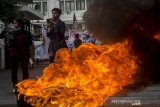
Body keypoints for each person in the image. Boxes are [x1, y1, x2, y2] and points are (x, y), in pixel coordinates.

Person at [6, 18, 32, 92]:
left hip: (23, 54)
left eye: (16, 23)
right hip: (14, 54)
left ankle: (25, 85)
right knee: (14, 71)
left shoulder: (26, 33)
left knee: (25, 70)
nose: (14, 25)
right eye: (14, 23)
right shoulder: (11, 33)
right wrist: (10, 39)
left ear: (20, 24)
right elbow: (9, 45)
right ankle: (15, 86)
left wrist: (30, 56)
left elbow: (29, 44)